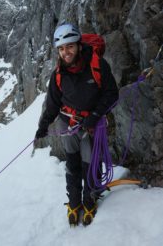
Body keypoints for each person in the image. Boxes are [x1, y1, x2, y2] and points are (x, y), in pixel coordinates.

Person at [35, 23, 119, 226]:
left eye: (70, 46)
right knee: (72, 165)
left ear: (79, 45)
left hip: (91, 125)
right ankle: (74, 202)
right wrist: (43, 125)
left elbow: (111, 93)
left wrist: (95, 116)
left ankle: (89, 202)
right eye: (62, 49)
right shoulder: (57, 74)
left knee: (90, 165)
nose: (66, 52)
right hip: (68, 123)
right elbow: (53, 104)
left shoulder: (97, 64)